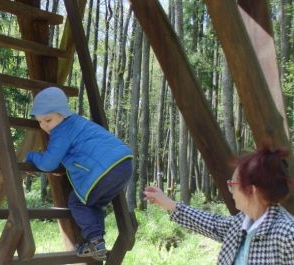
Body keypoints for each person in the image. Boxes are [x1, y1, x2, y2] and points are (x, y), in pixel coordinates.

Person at [26, 87, 133, 261]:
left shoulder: (61, 131)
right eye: (40, 122)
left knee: (78, 202)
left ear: (63, 114)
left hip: (104, 170)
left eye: (48, 120)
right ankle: (96, 241)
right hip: (124, 164)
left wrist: (30, 155)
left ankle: (95, 240)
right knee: (93, 203)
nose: (45, 126)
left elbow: (48, 163)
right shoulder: (80, 123)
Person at [144, 145, 294, 265]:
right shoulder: (241, 223)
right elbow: (212, 224)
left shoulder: (288, 233)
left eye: (233, 184)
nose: (231, 191)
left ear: (251, 190)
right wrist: (168, 203)